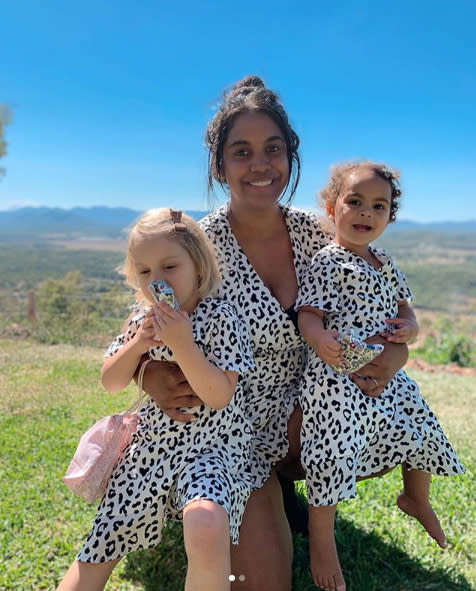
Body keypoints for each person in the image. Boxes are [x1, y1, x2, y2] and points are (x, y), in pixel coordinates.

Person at [140, 76, 410, 591]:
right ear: (220, 166)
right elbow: (148, 317)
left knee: (389, 422)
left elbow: (377, 302)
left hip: (306, 416)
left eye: (273, 149)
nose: (260, 164)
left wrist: (393, 355)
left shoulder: (322, 233)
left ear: (290, 156)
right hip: (230, 431)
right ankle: (238, 502)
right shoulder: (197, 245)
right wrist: (149, 371)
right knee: (263, 583)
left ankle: (290, 492)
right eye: (242, 152)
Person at [57, 208, 254, 591]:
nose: (157, 281)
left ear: (197, 266)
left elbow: (219, 395)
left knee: (206, 520)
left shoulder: (221, 317)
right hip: (151, 447)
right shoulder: (141, 316)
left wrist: (183, 344)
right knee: (105, 535)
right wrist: (137, 345)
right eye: (145, 272)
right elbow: (110, 381)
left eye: (169, 267)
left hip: (212, 447)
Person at [296, 161, 465, 591]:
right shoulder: (327, 261)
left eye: (378, 206)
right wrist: (319, 341)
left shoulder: (384, 260)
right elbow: (308, 315)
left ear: (389, 216)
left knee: (421, 421)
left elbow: (405, 310)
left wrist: (410, 328)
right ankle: (322, 536)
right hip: (336, 373)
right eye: (354, 202)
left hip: (385, 369)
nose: (365, 213)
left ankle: (416, 496)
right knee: (331, 446)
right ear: (333, 208)